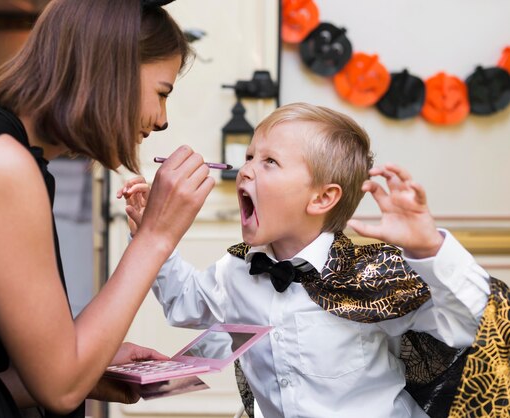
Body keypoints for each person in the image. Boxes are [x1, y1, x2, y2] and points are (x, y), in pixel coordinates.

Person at [0, 1, 216, 417]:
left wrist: (90, 366)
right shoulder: (5, 164)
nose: (163, 120)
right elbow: (59, 387)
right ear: (110, 72)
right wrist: (156, 236)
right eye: (161, 93)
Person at [118, 102, 500, 417]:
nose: (245, 169)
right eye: (249, 155)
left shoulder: (372, 274)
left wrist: (429, 248)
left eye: (269, 162)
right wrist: (151, 232)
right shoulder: (237, 270)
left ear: (321, 198)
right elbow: (185, 303)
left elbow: (471, 324)